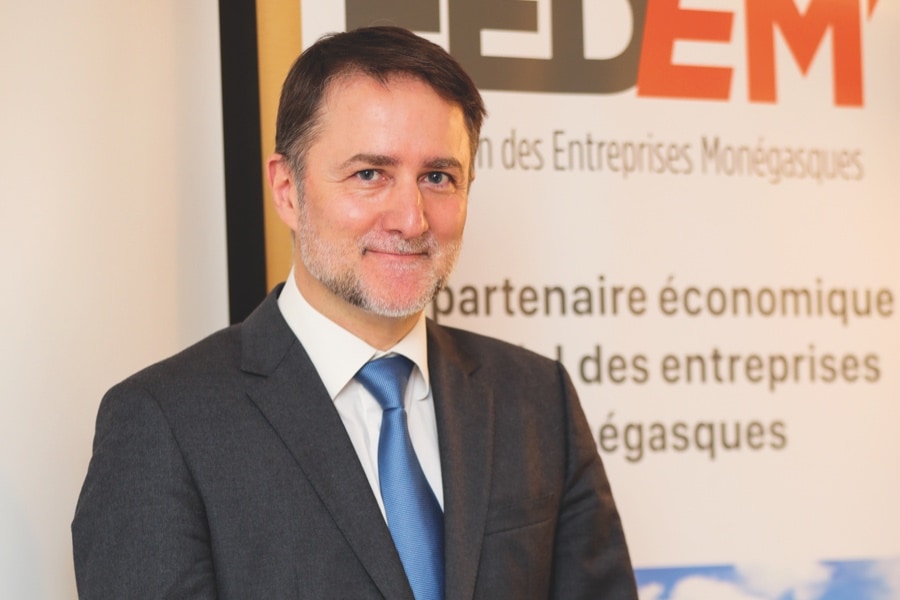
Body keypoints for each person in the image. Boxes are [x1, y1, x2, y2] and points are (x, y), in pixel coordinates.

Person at [72, 26, 637, 600]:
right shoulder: (164, 424)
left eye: (438, 177)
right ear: (288, 190)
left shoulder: (537, 398)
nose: (411, 219)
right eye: (370, 174)